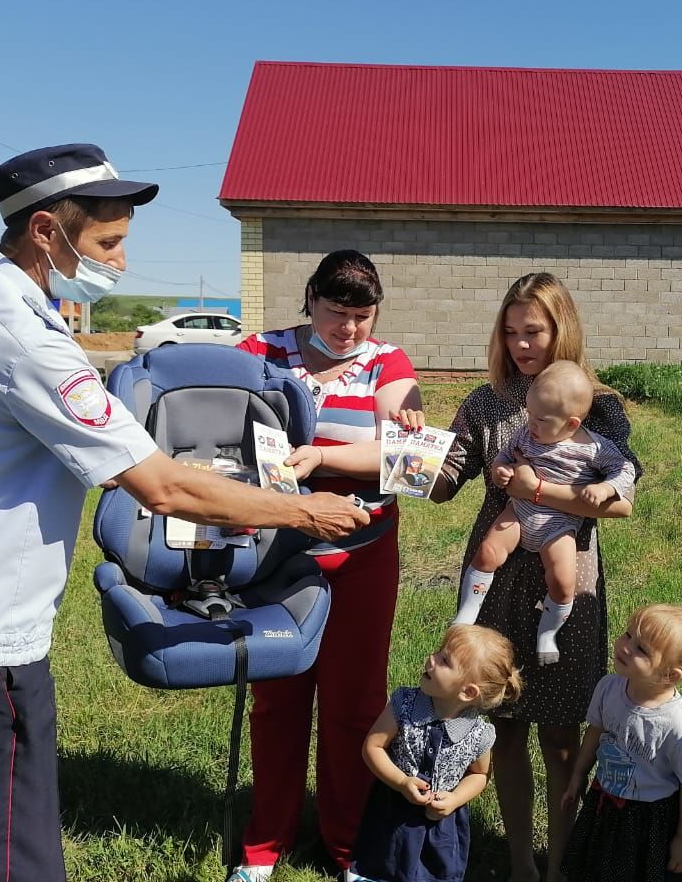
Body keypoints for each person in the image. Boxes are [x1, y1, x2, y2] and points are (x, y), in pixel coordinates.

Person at [0, 144, 368, 882]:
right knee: (6, 858)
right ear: (44, 230)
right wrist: (302, 512)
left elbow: (47, 446)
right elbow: (161, 489)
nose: (122, 264)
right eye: (109, 242)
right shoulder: (26, 340)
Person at [395, 272, 640, 882]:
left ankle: (561, 863)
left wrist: (540, 488)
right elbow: (446, 481)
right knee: (499, 726)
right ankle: (518, 863)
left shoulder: (600, 404)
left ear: (562, 329)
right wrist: (410, 452)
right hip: (498, 577)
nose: (520, 344)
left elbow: (617, 498)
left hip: (567, 578)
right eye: (510, 332)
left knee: (561, 734)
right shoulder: (486, 400)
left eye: (533, 331)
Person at [233, 249, 422, 881]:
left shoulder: (388, 362)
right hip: (279, 555)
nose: (348, 330)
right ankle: (265, 843)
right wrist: (356, 451)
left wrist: (320, 456)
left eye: (362, 317)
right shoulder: (260, 351)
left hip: (363, 553)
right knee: (277, 697)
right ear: (309, 298)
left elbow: (409, 463)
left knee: (354, 702)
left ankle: (350, 848)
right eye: (336, 313)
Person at [455, 360, 637, 666]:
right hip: (520, 511)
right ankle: (466, 615)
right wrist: (500, 467)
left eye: (540, 419)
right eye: (529, 415)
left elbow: (625, 470)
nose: (531, 425)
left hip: (559, 524)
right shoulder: (529, 433)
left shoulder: (594, 448)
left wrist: (605, 489)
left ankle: (548, 632)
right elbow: (506, 452)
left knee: (564, 581)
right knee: (487, 552)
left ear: (571, 424)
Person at [347, 624, 523, 882]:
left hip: (440, 826)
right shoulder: (404, 705)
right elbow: (372, 747)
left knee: (432, 874)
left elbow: (480, 774)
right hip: (391, 814)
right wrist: (401, 782)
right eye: (438, 651)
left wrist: (454, 799)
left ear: (467, 692)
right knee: (381, 866)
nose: (431, 658)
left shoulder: (477, 734)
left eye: (444, 660)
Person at [562, 604, 682, 882]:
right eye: (627, 634)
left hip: (650, 821)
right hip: (606, 802)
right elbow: (595, 733)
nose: (626, 646)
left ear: (670, 675)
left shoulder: (678, 727)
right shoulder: (609, 688)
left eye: (641, 649)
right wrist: (578, 774)